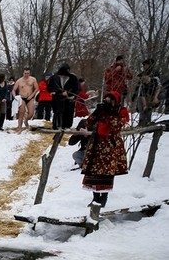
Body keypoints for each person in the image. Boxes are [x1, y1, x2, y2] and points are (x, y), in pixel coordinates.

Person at [80, 91, 129, 220]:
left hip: (110, 146)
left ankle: (103, 199)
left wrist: (111, 113)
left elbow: (116, 127)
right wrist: (97, 113)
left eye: (110, 100)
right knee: (93, 172)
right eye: (106, 100)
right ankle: (95, 199)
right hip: (97, 145)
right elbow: (88, 123)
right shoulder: (101, 111)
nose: (108, 102)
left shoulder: (121, 111)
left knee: (107, 172)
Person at [48, 63, 80, 130]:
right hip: (58, 98)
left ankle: (67, 126)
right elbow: (50, 87)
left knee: (68, 112)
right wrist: (59, 92)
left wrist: (69, 94)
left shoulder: (73, 78)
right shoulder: (54, 78)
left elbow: (77, 88)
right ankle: (57, 125)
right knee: (57, 112)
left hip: (69, 99)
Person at [132, 58, 160, 126]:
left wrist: (155, 96)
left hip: (151, 94)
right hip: (143, 94)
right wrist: (134, 95)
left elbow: (158, 86)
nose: (144, 66)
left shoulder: (155, 75)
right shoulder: (142, 75)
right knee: (141, 107)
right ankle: (141, 121)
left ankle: (147, 121)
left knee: (148, 107)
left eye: (145, 65)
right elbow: (138, 86)